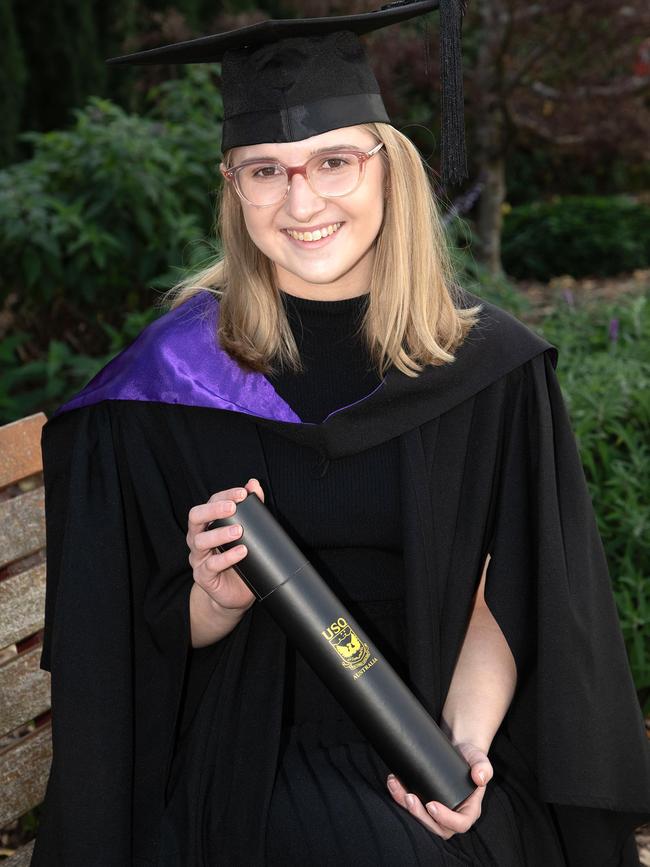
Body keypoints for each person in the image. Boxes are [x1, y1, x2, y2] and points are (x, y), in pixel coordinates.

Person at [31, 3, 650, 866]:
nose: (302, 200)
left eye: (332, 161)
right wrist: (214, 597)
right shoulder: (168, 380)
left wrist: (463, 749)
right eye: (264, 171)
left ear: (388, 172)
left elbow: (507, 590)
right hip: (252, 744)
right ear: (232, 186)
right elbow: (121, 635)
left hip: (438, 720)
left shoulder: (489, 368)